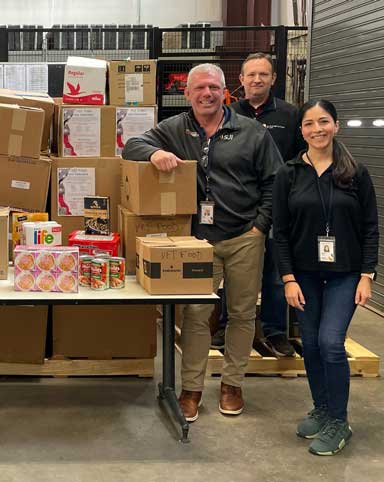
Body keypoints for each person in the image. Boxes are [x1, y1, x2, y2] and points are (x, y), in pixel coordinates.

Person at [123, 63, 282, 422]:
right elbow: (131, 145)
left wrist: (260, 227)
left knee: (242, 314)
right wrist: (154, 153)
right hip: (198, 241)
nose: (206, 94)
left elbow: (275, 182)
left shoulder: (251, 132)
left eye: (213, 87)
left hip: (244, 237)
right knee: (195, 314)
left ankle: (232, 384)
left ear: (225, 91)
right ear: (188, 93)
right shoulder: (175, 128)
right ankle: (191, 389)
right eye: (199, 88)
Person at [273, 99, 378, 456]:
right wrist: (288, 278)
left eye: (323, 121)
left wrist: (367, 275)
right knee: (312, 344)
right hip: (303, 275)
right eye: (309, 124)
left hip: (345, 274)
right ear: (301, 131)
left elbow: (370, 228)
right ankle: (322, 408)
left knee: (331, 343)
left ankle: (339, 421)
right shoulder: (288, 174)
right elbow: (280, 232)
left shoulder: (355, 173)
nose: (317, 129)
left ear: (336, 125)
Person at [210, 52, 307, 357]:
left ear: (273, 79)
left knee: (275, 274)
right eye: (250, 75)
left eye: (263, 74)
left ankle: (275, 332)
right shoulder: (226, 114)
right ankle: (227, 326)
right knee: (234, 273)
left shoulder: (290, 116)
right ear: (241, 79)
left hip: (277, 207)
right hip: (236, 209)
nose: (256, 80)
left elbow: (302, 158)